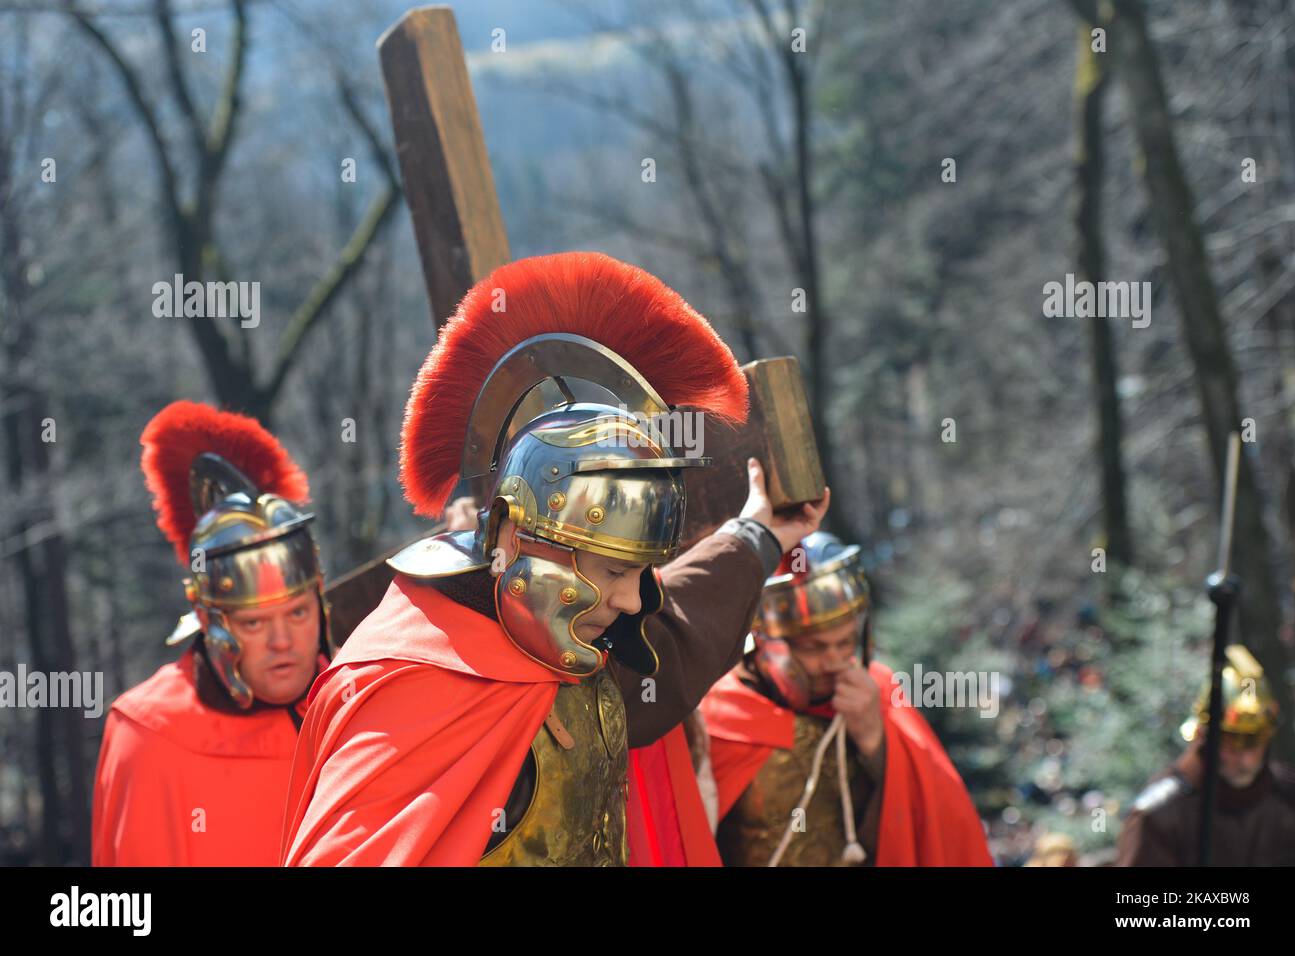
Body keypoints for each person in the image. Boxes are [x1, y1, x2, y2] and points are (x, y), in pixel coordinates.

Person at [281, 251, 828, 865]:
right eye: (615, 570)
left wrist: (757, 534)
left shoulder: (559, 647)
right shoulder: (407, 689)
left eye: (639, 571)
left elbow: (671, 644)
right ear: (516, 538)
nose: (629, 600)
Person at [92, 401, 331, 865]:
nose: (282, 641)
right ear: (207, 620)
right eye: (254, 622)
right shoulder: (149, 736)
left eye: (298, 614)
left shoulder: (352, 705)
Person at [701, 532, 992, 866]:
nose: (836, 661)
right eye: (815, 647)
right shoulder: (717, 711)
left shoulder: (880, 692)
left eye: (846, 642)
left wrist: (875, 741)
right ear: (766, 641)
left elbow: (942, 821)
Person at [1115, 644, 1295, 866]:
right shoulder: (1159, 814)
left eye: (1253, 742)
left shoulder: (1290, 796)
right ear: (1203, 736)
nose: (1245, 760)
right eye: (1232, 743)